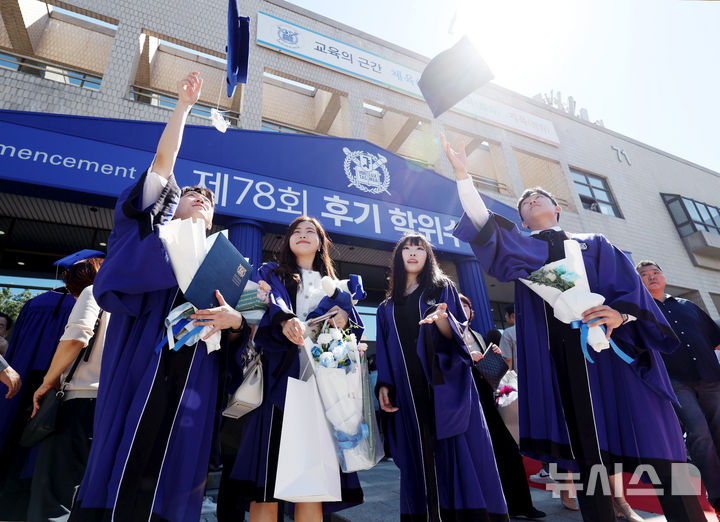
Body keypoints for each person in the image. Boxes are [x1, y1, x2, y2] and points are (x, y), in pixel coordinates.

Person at [443, 135, 705, 521]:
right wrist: (464, 175)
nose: (531, 200)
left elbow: (629, 288)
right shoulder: (521, 249)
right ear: (521, 218)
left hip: (616, 354)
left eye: (539, 197)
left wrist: (621, 315)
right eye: (524, 201)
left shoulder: (595, 243)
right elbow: (482, 225)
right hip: (562, 363)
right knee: (588, 455)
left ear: (557, 208)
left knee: (659, 439)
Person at [69, 73, 248, 522]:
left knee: (178, 462)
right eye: (192, 194)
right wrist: (183, 108)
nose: (200, 198)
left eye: (208, 199)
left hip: (196, 373)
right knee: (128, 447)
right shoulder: (158, 232)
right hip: (145, 357)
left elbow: (242, 329)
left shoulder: (222, 260)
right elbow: (164, 163)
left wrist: (235, 321)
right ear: (173, 203)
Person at [228, 216, 364, 521]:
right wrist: (283, 319)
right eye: (296, 231)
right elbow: (259, 306)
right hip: (278, 383)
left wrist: (343, 318)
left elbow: (353, 330)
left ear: (320, 243)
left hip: (320, 391)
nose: (303, 235)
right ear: (288, 240)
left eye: (310, 232)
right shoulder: (269, 273)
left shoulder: (335, 287)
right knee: (266, 481)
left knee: (312, 484)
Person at [375, 233, 508, 521]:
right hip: (407, 389)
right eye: (406, 249)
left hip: (444, 384)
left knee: (456, 450)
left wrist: (444, 320)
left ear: (428, 256)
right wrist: (384, 384)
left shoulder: (440, 288)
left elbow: (457, 336)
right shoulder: (386, 307)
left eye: (419, 249)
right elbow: (384, 349)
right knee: (419, 455)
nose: (412, 253)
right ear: (398, 258)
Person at [637, 260, 720, 514]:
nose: (652, 277)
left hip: (711, 378)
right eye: (645, 275)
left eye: (656, 273)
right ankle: (718, 500)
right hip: (675, 382)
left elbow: (716, 342)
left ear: (664, 276)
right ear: (638, 281)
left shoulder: (688, 306)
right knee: (699, 434)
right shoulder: (640, 312)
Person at [27, 256, 106, 522]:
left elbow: (76, 337)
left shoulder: (92, 292)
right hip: (111, 406)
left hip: (79, 402)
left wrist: (48, 381)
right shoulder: (128, 303)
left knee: (56, 497)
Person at [460, 294, 545, 519]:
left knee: (509, 451)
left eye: (466, 306)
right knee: (483, 456)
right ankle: (494, 507)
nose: (464, 309)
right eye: (458, 306)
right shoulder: (448, 334)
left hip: (491, 399)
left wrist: (493, 355)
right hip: (467, 402)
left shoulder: (476, 334)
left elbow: (491, 370)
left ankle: (522, 506)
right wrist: (467, 357)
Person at [0, 286, 75, 520]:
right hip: (54, 384)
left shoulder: (35, 304)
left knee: (13, 440)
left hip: (22, 380)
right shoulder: (82, 304)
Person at [499, 305, 516, 370]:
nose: (505, 317)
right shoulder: (535, 332)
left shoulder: (508, 332)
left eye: (506, 314)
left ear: (512, 316)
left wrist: (508, 379)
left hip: (518, 375)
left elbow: (507, 359)